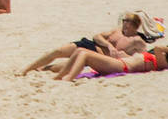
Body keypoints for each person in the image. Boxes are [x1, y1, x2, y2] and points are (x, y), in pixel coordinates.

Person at [20, 14, 150, 74]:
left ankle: (42, 69)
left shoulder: (136, 40)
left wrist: (123, 56)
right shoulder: (116, 31)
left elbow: (144, 58)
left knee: (66, 66)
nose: (124, 23)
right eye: (124, 21)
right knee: (58, 51)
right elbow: (97, 36)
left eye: (126, 21)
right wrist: (109, 45)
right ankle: (26, 70)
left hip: (98, 56)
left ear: (134, 25)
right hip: (90, 44)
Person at [53, 42, 168, 81]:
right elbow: (159, 49)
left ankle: (68, 78)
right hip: (119, 63)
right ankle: (60, 76)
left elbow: (158, 48)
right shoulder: (160, 57)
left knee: (85, 55)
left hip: (122, 67)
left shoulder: (163, 63)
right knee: (81, 51)